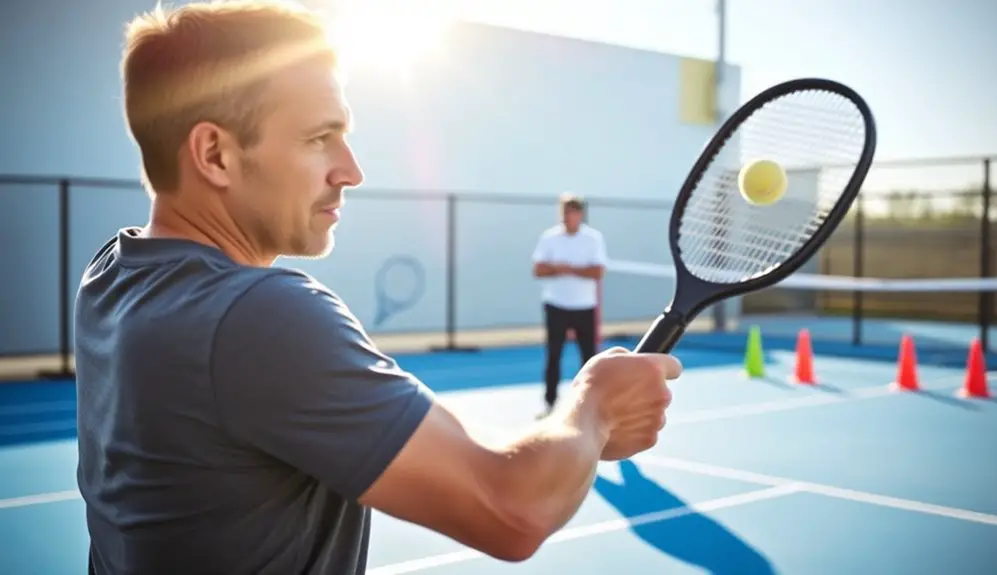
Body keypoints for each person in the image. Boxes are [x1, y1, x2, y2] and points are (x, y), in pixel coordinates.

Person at [73, 2, 681, 574]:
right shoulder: (257, 314)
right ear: (215, 154)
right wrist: (594, 405)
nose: (351, 170)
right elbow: (511, 509)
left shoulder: (113, 277)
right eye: (319, 138)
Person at [531, 194, 608, 416]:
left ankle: (591, 404)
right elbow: (538, 269)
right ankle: (550, 403)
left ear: (580, 214)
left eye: (572, 212)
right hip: (556, 306)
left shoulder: (593, 239)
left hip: (585, 307)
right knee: (553, 354)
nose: (568, 216)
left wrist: (570, 269)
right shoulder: (549, 238)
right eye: (565, 212)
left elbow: (598, 271)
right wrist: (557, 268)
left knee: (590, 358)